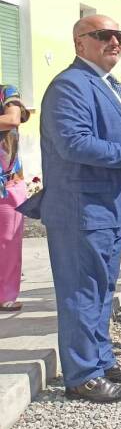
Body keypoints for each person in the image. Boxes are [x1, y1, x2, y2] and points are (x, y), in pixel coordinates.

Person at [39, 15, 121, 403]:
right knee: (81, 292)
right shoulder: (69, 86)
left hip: (110, 208)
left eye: (119, 36)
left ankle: (102, 359)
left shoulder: (107, 84)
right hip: (82, 209)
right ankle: (82, 376)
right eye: (103, 35)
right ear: (79, 43)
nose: (114, 42)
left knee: (102, 290)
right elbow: (74, 144)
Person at [0, 84, 30, 311]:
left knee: (8, 243)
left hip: (8, 183)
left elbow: (13, 119)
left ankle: (6, 295)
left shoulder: (7, 92)